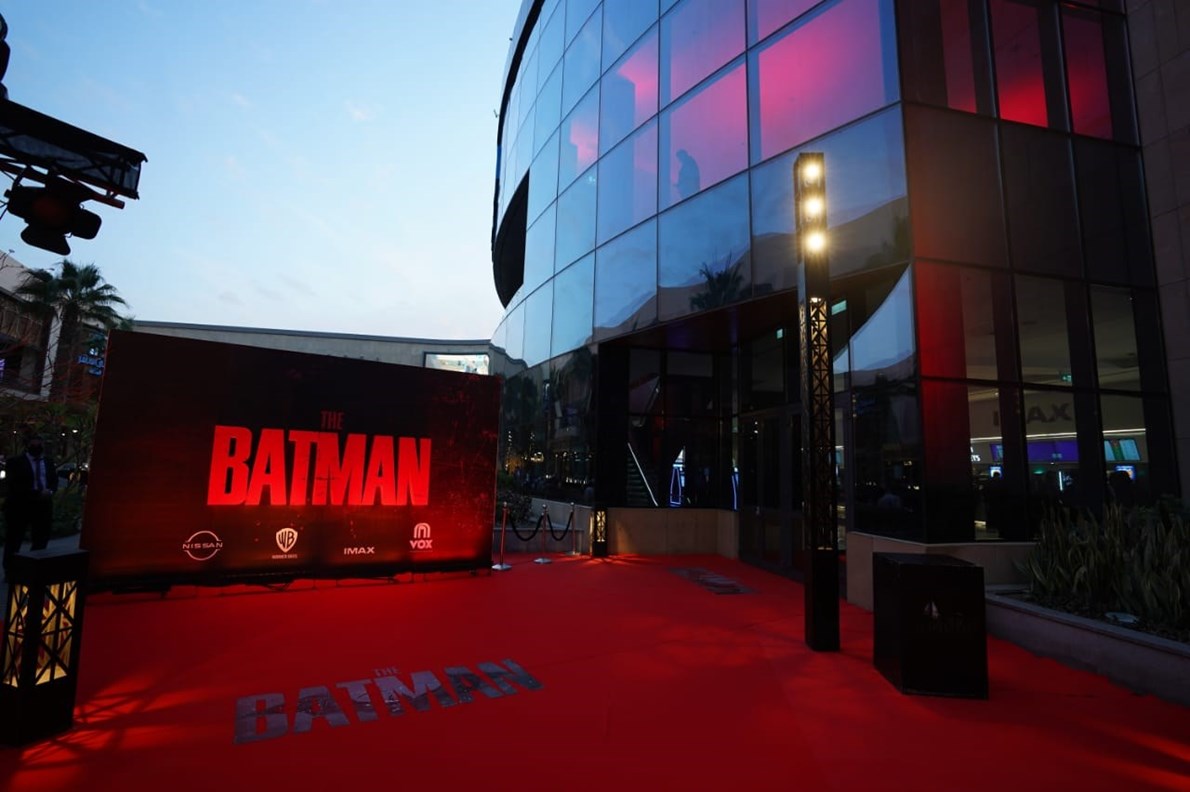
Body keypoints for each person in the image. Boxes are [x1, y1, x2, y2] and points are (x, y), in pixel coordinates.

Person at [3, 435, 57, 571]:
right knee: (14, 540)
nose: (37, 448)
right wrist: (37, 494)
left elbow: (53, 481)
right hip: (20, 506)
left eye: (39, 445)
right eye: (34, 445)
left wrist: (50, 491)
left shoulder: (48, 462)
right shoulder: (15, 462)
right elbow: (13, 484)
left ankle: (33, 569)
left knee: (41, 539)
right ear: (28, 446)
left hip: (43, 506)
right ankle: (10, 570)